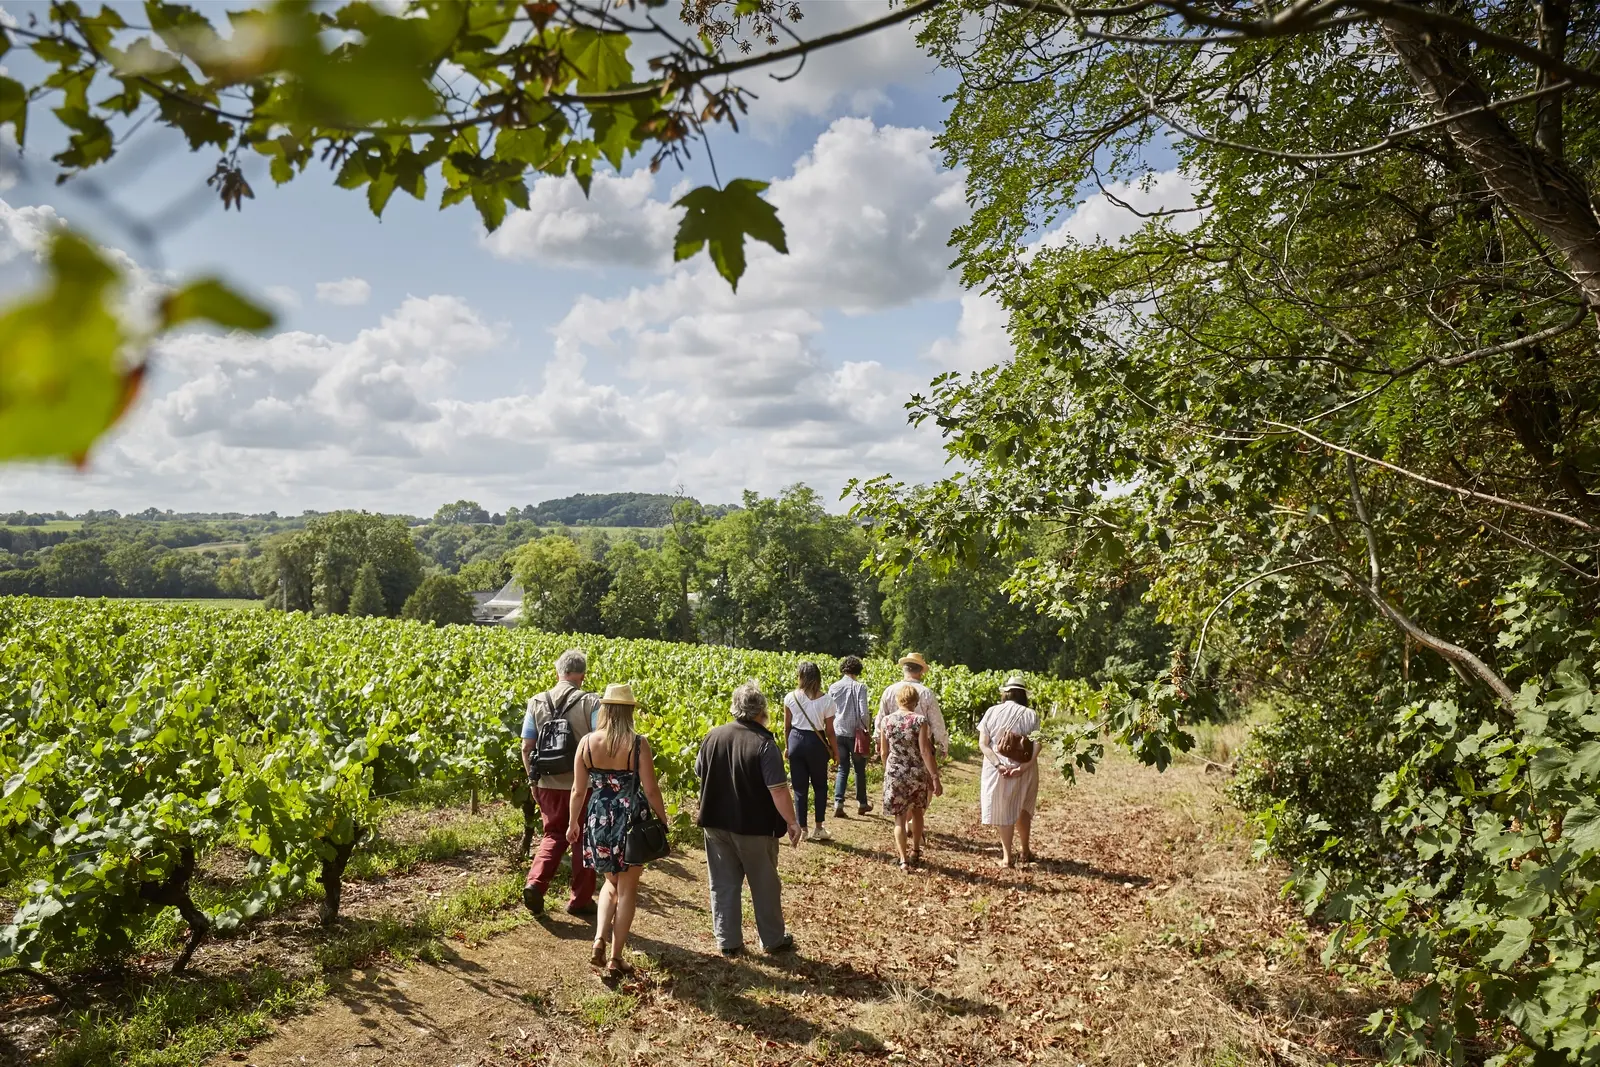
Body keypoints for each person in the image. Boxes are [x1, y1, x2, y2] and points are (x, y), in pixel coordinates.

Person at [567, 683, 669, 982]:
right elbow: (650, 789)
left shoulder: (586, 743)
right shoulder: (638, 744)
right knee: (627, 890)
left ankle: (599, 939)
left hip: (598, 819)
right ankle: (615, 957)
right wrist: (662, 820)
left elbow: (577, 790)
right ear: (628, 712)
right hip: (629, 820)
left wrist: (574, 824)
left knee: (610, 883)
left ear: (606, 709)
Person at [695, 681, 803, 957]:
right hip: (754, 826)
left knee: (722, 883)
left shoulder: (713, 736)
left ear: (735, 708)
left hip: (715, 822)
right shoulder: (764, 744)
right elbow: (778, 789)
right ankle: (773, 940)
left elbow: (699, 771)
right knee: (764, 884)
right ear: (761, 711)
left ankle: (728, 941)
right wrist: (792, 822)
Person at [520, 648, 602, 917]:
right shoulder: (591, 702)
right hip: (585, 785)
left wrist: (533, 779)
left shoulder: (536, 702)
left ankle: (535, 883)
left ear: (558, 673)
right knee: (584, 840)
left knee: (553, 835)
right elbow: (599, 743)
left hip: (548, 782)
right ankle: (580, 901)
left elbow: (526, 746)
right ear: (583, 676)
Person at [977, 677, 1042, 867]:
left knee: (1003, 809)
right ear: (1023, 695)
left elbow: (983, 743)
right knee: (1023, 807)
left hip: (997, 768)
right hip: (1024, 766)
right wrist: (1024, 767)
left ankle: (1007, 857)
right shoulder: (1031, 714)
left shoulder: (991, 711)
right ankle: (1025, 850)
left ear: (1006, 693)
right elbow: (1038, 744)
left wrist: (998, 765)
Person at [879, 684, 941, 870]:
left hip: (895, 772)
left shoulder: (887, 721)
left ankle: (903, 859)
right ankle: (915, 850)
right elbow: (924, 751)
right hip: (916, 773)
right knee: (917, 812)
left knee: (899, 817)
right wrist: (935, 776)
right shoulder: (920, 721)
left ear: (898, 700)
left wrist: (888, 770)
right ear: (915, 702)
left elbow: (883, 751)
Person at [783, 661, 838, 841]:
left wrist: (787, 746)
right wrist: (835, 751)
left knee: (799, 788)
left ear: (801, 677)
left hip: (796, 740)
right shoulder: (827, 700)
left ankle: (803, 828)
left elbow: (787, 726)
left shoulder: (790, 697)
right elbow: (830, 731)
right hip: (817, 742)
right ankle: (819, 827)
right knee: (820, 785)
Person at [878, 653, 949, 761]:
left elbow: (881, 719)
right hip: (921, 749)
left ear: (904, 670)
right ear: (921, 672)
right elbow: (937, 723)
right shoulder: (926, 693)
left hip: (895, 749)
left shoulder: (889, 691)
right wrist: (942, 745)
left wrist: (878, 740)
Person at [829, 656, 873, 818]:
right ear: (857, 671)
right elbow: (863, 712)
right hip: (855, 734)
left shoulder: (833, 687)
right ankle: (862, 803)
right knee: (859, 769)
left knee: (842, 768)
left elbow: (829, 710)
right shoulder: (860, 687)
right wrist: (866, 729)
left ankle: (838, 803)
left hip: (838, 732)